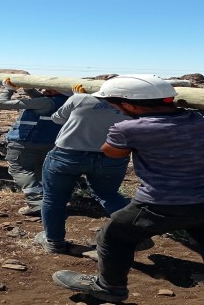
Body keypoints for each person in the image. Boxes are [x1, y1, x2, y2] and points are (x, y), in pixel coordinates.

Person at [52, 74, 204, 304]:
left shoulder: (129, 129)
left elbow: (112, 152)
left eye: (114, 104)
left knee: (113, 237)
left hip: (163, 205)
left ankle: (109, 287)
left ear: (129, 105)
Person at [35, 85, 132, 253]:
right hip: (111, 154)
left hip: (67, 154)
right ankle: (135, 236)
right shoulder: (132, 104)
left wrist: (77, 98)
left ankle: (54, 241)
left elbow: (57, 118)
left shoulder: (80, 98)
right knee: (109, 195)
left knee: (54, 199)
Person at [0, 77, 69, 217]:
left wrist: (9, 89)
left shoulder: (45, 101)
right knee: (40, 173)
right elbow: (41, 99)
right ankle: (47, 201)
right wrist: (27, 87)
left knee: (19, 169)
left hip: (25, 142)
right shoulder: (67, 101)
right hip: (50, 142)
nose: (44, 90)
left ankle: (36, 203)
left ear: (54, 90)